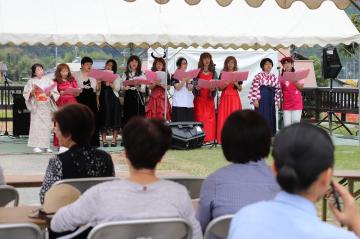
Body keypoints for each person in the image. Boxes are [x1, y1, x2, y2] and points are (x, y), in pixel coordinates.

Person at [50, 117, 202, 239]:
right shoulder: (179, 194)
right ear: (161, 157)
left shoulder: (101, 194)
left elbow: (57, 223)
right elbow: (195, 234)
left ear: (125, 154)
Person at [228, 123, 360, 239]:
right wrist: (355, 223)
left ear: (274, 169)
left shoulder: (244, 219)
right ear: (326, 177)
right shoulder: (338, 236)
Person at [197, 110, 279, 232]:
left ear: (227, 143)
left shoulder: (214, 182)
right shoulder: (282, 184)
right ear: (266, 142)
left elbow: (199, 228)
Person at [40, 104, 115, 204]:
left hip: (68, 215)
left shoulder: (58, 161)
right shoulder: (105, 158)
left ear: (67, 134)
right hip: (99, 215)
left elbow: (45, 198)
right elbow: (110, 194)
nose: (55, 132)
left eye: (56, 128)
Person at [23, 63, 59, 153]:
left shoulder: (48, 80)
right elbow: (26, 93)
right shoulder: (31, 81)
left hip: (46, 105)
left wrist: (50, 94)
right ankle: (36, 145)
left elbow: (55, 92)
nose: (40, 71)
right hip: (36, 105)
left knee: (46, 126)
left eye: (41, 69)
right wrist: (32, 91)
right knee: (36, 126)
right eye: (38, 69)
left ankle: (46, 146)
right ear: (34, 72)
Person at [248, 58, 281, 136]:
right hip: (262, 99)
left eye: (270, 64)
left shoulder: (274, 77)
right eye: (266, 64)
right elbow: (255, 88)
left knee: (271, 116)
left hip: (271, 99)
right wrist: (255, 99)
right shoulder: (258, 76)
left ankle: (270, 135)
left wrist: (278, 101)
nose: (268, 65)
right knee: (261, 116)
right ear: (262, 66)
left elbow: (277, 89)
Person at [74, 56, 100, 147]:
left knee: (92, 119)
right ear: (82, 65)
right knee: (80, 119)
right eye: (87, 64)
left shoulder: (94, 75)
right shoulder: (75, 74)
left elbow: (97, 90)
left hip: (91, 98)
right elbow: (73, 87)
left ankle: (93, 142)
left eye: (90, 64)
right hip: (80, 97)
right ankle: (79, 141)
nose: (89, 66)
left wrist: (98, 85)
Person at [217, 56, 242, 144]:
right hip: (225, 97)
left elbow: (240, 89)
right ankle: (223, 138)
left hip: (234, 98)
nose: (230, 64)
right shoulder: (222, 73)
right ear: (226, 64)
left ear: (234, 64)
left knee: (234, 118)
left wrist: (236, 83)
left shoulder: (238, 74)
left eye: (232, 62)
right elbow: (219, 88)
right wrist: (225, 83)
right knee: (224, 117)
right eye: (228, 62)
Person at [53, 63, 79, 147]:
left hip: (72, 102)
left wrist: (75, 91)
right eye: (63, 71)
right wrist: (60, 93)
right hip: (61, 103)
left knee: (72, 122)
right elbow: (53, 94)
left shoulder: (72, 80)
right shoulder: (55, 81)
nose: (65, 73)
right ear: (59, 72)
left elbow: (77, 92)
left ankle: (72, 142)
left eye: (66, 71)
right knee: (60, 122)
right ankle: (59, 142)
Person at [193, 52, 217, 143]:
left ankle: (209, 138)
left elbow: (217, 85)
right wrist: (196, 87)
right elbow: (194, 86)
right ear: (201, 60)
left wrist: (213, 88)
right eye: (205, 58)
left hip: (209, 99)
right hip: (199, 100)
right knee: (200, 119)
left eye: (208, 58)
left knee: (210, 120)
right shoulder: (197, 73)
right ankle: (200, 139)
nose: (207, 60)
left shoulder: (214, 72)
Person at [98, 59, 122, 147]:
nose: (109, 66)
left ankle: (114, 139)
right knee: (104, 117)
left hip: (114, 99)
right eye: (108, 65)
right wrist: (99, 83)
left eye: (111, 66)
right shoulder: (101, 76)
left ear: (114, 68)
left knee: (115, 118)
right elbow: (97, 91)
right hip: (103, 99)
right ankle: (104, 140)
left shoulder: (117, 76)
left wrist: (111, 84)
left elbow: (118, 89)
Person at [120, 55, 146, 127]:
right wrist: (124, 88)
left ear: (138, 63)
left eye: (136, 62)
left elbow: (143, 89)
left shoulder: (142, 74)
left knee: (139, 116)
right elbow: (121, 86)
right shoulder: (125, 74)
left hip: (138, 96)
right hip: (129, 95)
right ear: (129, 63)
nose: (134, 63)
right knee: (129, 116)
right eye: (132, 61)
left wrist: (139, 88)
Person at [279, 56, 304, 126]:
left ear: (292, 64)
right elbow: (279, 89)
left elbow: (301, 87)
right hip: (286, 104)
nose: (287, 65)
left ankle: (295, 137)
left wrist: (294, 80)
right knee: (287, 126)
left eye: (289, 63)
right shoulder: (281, 77)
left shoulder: (298, 74)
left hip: (296, 103)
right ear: (283, 66)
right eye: (285, 63)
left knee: (295, 125)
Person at [146, 54, 171, 121]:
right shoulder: (151, 74)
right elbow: (149, 87)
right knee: (153, 115)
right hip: (154, 96)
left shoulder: (167, 74)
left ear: (163, 65)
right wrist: (155, 83)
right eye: (157, 64)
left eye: (160, 64)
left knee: (163, 113)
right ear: (155, 65)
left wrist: (162, 85)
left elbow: (169, 87)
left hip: (163, 96)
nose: (159, 65)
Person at [171, 57, 195, 122]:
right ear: (179, 65)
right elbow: (178, 87)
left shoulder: (189, 75)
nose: (185, 65)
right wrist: (184, 80)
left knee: (189, 125)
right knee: (179, 125)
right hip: (179, 104)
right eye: (183, 63)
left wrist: (189, 81)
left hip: (188, 103)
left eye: (186, 63)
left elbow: (190, 89)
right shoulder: (174, 75)